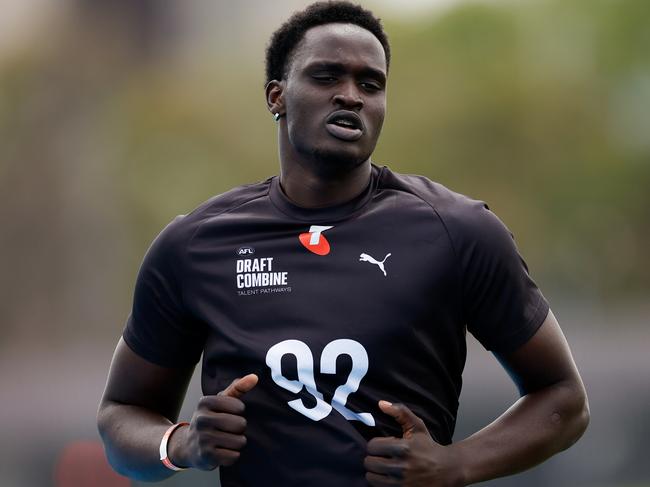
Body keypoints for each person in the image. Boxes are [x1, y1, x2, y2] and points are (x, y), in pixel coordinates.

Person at [97, 2, 589, 486]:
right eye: (327, 77)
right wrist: (180, 445)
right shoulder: (195, 245)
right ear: (277, 96)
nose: (351, 96)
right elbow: (122, 417)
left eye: (370, 84)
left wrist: (455, 465)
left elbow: (564, 399)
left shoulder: (458, 231)